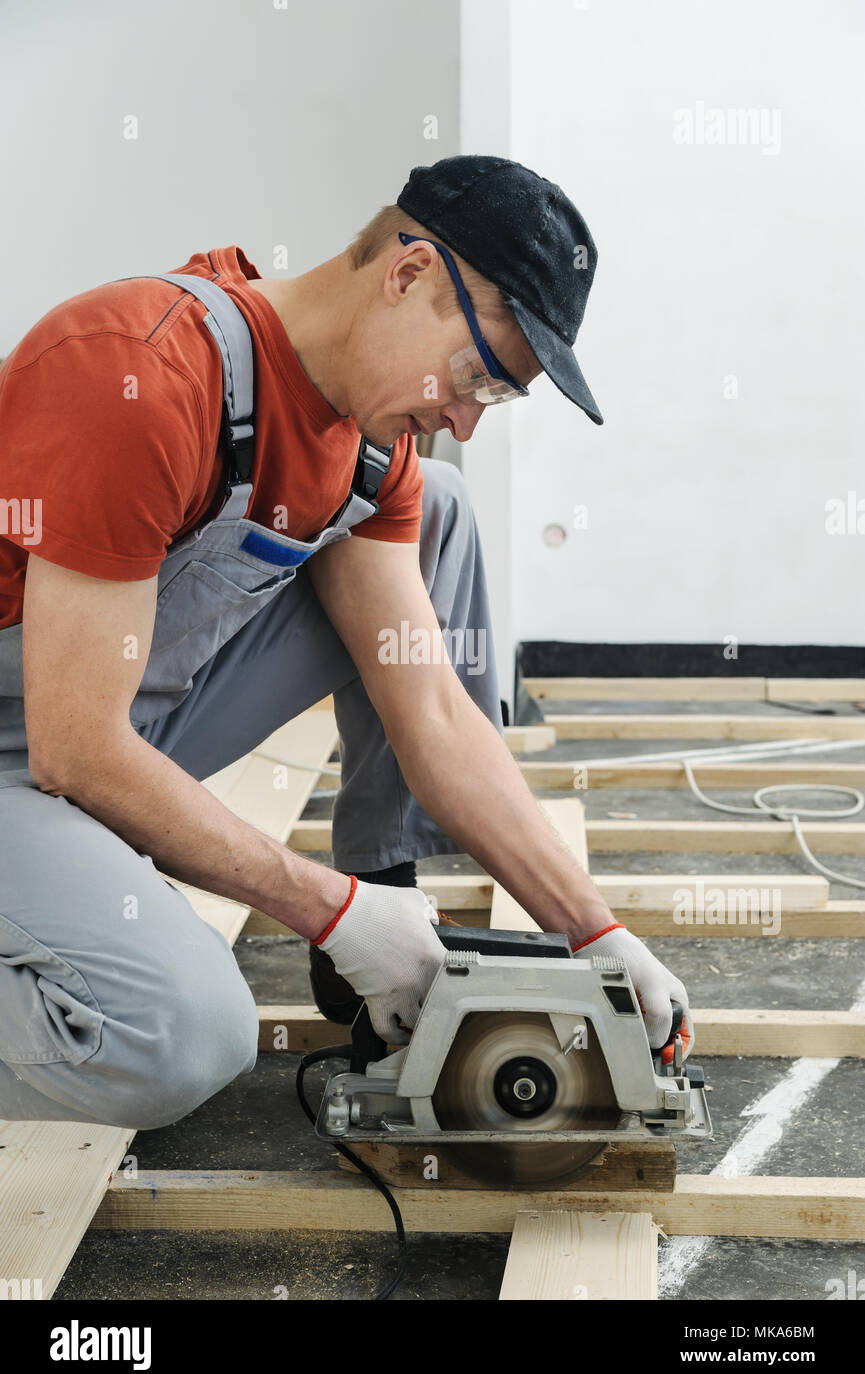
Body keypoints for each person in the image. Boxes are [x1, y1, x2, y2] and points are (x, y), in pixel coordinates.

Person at [0, 155, 691, 1131]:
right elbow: (75, 751)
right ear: (407, 275)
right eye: (474, 378)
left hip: (105, 727)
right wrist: (322, 907)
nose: (463, 418)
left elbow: (433, 713)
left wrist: (596, 931)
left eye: (495, 401)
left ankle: (382, 893)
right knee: (175, 1039)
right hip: (48, 751)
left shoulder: (372, 450)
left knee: (437, 508)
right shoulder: (135, 371)